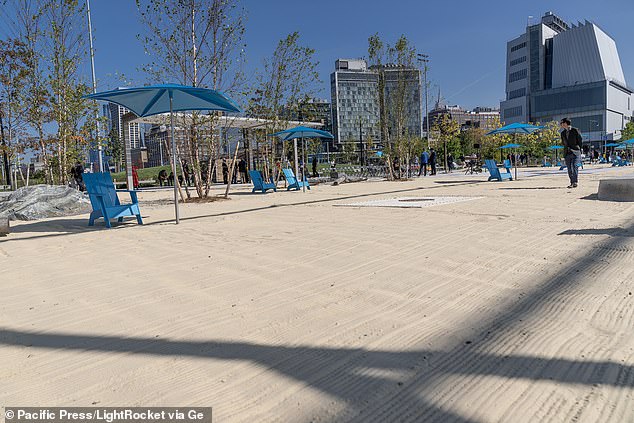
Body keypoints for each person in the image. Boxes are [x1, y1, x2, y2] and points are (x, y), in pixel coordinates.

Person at [560, 117, 583, 188]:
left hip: (575, 151)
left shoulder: (575, 130)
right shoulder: (562, 133)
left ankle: (575, 182)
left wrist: (579, 148)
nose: (561, 125)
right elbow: (564, 143)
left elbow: (580, 140)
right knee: (569, 168)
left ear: (566, 123)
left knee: (575, 166)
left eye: (562, 123)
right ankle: (572, 182)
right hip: (567, 152)